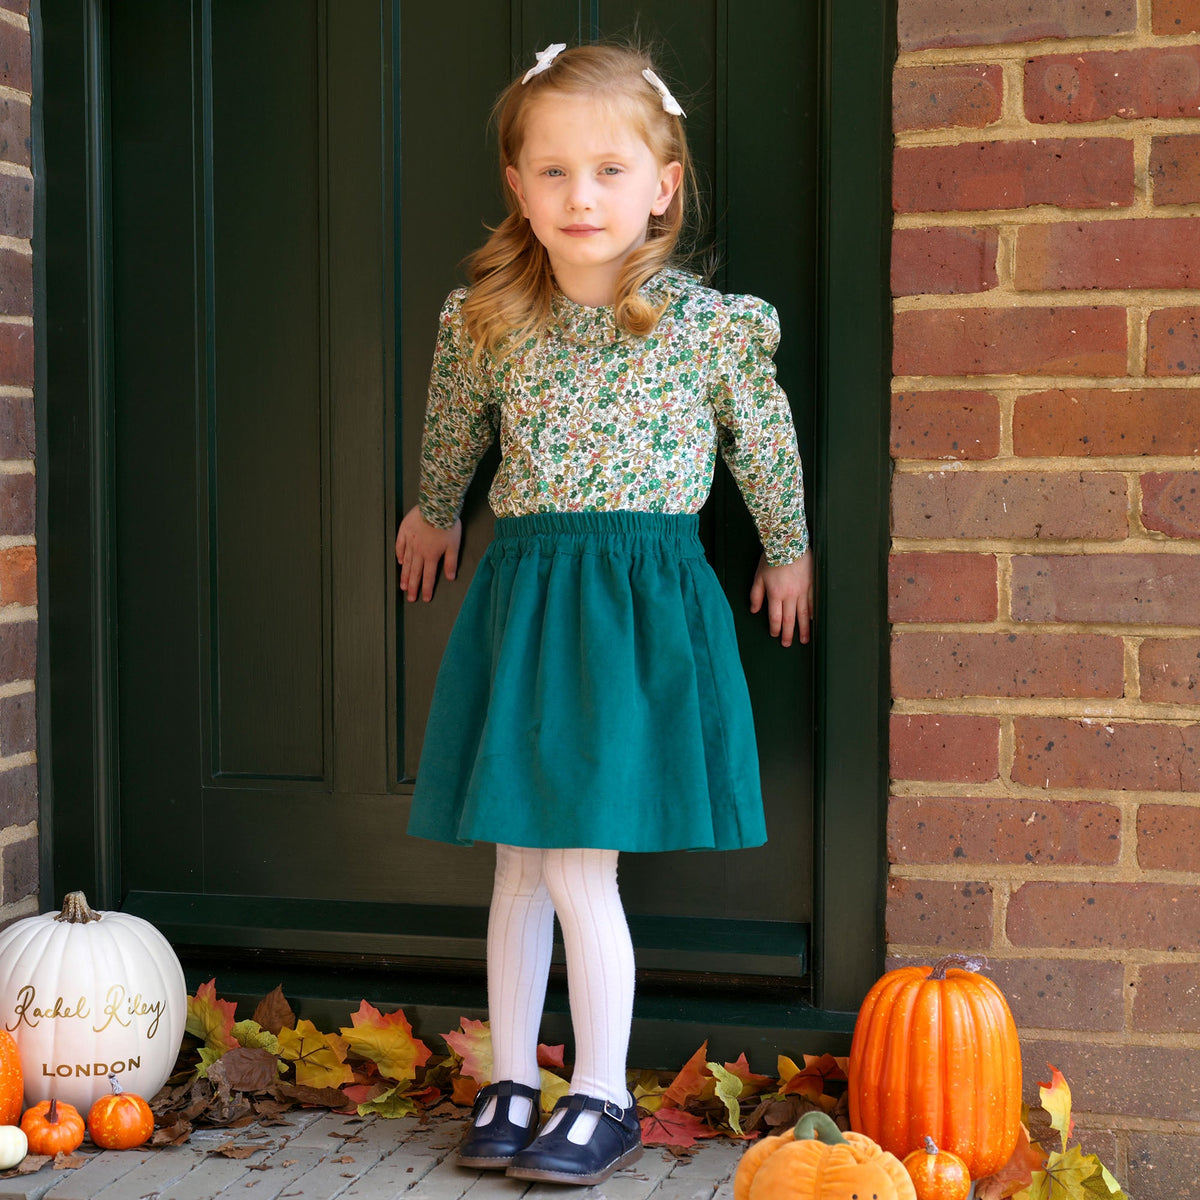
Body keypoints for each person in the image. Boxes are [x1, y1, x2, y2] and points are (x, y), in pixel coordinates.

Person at [394, 41, 813, 1187]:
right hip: (529, 599)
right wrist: (434, 512)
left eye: (611, 170)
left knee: (581, 867)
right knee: (518, 862)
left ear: (663, 183)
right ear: (519, 188)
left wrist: (788, 549)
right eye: (554, 173)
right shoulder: (487, 318)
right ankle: (513, 1080)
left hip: (636, 608)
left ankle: (600, 1094)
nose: (583, 197)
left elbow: (763, 445)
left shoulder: (703, 324)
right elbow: (455, 435)